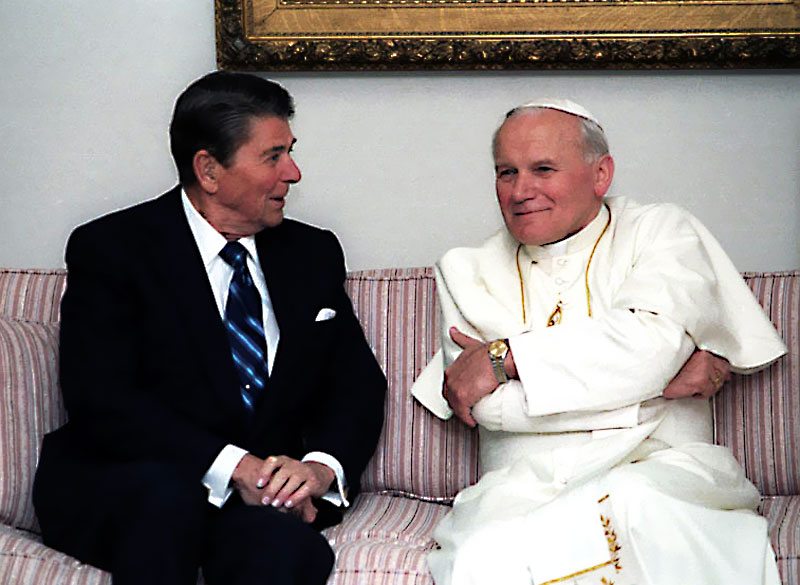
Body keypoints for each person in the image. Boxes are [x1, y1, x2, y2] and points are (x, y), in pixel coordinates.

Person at [411, 99, 787, 585]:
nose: (521, 191)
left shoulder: (660, 231)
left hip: (663, 473)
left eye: (542, 169)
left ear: (601, 174)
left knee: (642, 513)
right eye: (506, 172)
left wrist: (506, 357)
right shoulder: (465, 270)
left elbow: (647, 349)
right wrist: (648, 391)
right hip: (521, 488)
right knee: (485, 557)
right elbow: (492, 410)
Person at [32, 71, 386, 585]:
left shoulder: (312, 254)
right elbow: (101, 398)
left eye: (290, 150)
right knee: (166, 509)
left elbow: (356, 385)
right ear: (209, 169)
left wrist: (316, 469)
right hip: (133, 480)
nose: (294, 172)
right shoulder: (113, 248)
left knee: (288, 551)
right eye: (273, 156)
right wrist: (234, 466)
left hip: (255, 500)